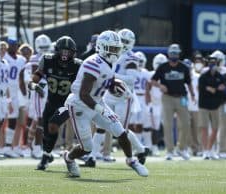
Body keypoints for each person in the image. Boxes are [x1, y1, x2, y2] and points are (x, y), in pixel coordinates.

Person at [63, 30, 148, 177]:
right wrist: (100, 109)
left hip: (97, 101)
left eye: (117, 48)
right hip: (80, 105)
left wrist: (114, 85)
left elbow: (106, 79)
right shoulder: (93, 63)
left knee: (120, 131)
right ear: (102, 47)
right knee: (87, 148)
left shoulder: (110, 62)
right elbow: (84, 94)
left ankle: (131, 160)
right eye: (112, 48)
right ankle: (69, 158)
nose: (115, 51)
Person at [84, 29, 148, 167]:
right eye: (121, 40)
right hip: (108, 94)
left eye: (126, 42)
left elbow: (131, 79)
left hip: (123, 97)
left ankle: (141, 150)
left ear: (131, 43)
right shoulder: (111, 54)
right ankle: (92, 157)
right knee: (100, 126)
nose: (123, 44)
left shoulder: (131, 57)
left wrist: (112, 76)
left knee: (121, 130)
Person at [30, 36, 81, 170]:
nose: (65, 54)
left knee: (53, 126)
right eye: (63, 51)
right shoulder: (47, 60)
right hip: (50, 101)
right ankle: (48, 153)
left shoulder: (77, 65)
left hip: (66, 104)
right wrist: (34, 85)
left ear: (73, 52)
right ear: (57, 50)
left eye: (68, 51)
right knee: (47, 133)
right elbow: (35, 78)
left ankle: (45, 157)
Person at [150, 44, 195, 160]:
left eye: (176, 53)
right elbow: (153, 81)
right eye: (172, 53)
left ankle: (182, 148)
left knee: (186, 123)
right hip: (167, 97)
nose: (174, 55)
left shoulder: (184, 67)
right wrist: (160, 86)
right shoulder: (163, 67)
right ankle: (170, 151)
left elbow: (189, 83)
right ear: (168, 54)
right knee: (168, 125)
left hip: (182, 97)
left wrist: (193, 94)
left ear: (179, 54)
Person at [25, 34, 51, 159]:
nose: (45, 49)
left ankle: (39, 147)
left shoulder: (51, 57)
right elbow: (32, 77)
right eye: (43, 46)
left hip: (48, 88)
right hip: (39, 89)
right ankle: (35, 147)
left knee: (44, 119)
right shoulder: (34, 59)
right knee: (40, 118)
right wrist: (36, 87)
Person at [198, 56, 226, 160]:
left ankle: (210, 149)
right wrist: (213, 89)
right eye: (211, 63)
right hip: (204, 105)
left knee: (215, 128)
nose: (212, 65)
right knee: (204, 128)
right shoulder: (203, 76)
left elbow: (222, 90)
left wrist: (212, 89)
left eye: (214, 63)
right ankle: (205, 151)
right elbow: (202, 89)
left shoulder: (220, 77)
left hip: (215, 106)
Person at [2, 38, 26, 157]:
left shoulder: (21, 59)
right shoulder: (4, 57)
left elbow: (21, 78)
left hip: (15, 92)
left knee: (13, 119)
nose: (14, 47)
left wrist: (25, 94)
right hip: (4, 91)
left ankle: (7, 147)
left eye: (16, 45)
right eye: (12, 45)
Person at [146, 53, 168, 156]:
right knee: (153, 127)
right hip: (154, 103)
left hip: (164, 103)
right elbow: (148, 86)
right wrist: (148, 99)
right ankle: (153, 147)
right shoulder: (150, 74)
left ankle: (162, 145)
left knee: (162, 126)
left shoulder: (167, 74)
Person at [187, 51, 204, 156]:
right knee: (186, 128)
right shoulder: (183, 77)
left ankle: (198, 148)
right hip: (186, 106)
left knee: (197, 129)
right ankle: (189, 147)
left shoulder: (197, 77)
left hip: (196, 106)